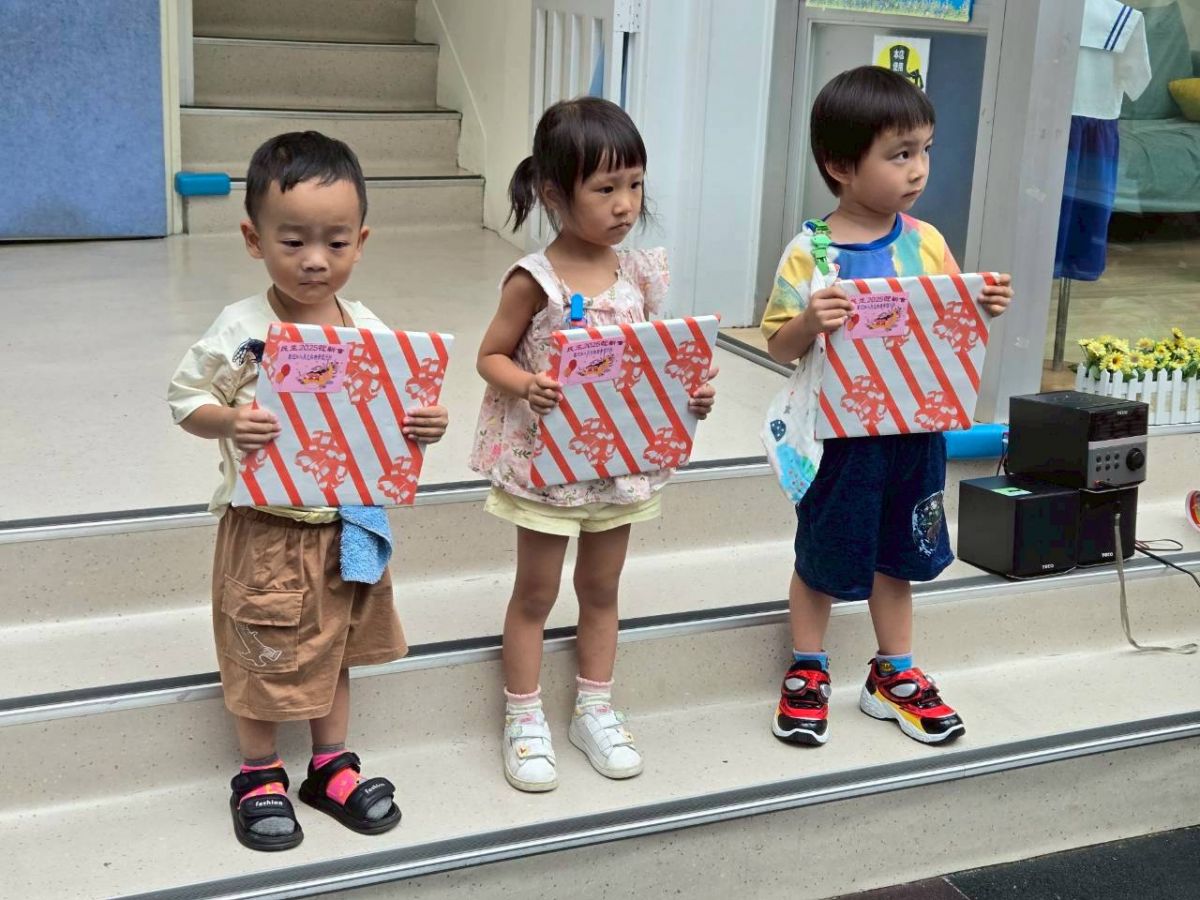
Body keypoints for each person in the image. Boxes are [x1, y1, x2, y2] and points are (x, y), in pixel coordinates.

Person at [168, 131, 448, 850]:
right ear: (253, 239)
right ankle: (259, 772)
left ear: (361, 241)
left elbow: (395, 410)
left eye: (335, 242)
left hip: (345, 524)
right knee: (257, 650)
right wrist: (227, 419)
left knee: (336, 647)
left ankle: (329, 765)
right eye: (292, 241)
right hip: (267, 528)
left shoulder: (368, 330)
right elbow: (184, 399)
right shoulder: (242, 328)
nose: (315, 259)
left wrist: (426, 422)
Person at [761, 67, 1013, 748]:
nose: (918, 168)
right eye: (899, 154)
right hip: (839, 440)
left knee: (899, 554)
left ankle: (893, 674)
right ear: (840, 166)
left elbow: (949, 324)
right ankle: (808, 667)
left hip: (915, 431)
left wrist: (981, 305)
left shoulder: (926, 241)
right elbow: (779, 344)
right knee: (822, 554)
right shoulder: (810, 252)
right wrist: (809, 320)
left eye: (925, 150)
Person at [470, 97, 716, 792]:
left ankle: (594, 709)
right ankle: (523, 716)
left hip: (617, 468)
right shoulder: (534, 280)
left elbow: (654, 361)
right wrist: (526, 384)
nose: (625, 204)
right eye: (605, 188)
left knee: (602, 589)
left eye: (634, 184)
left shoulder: (637, 274)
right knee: (536, 593)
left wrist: (691, 394)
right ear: (554, 194)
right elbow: (489, 356)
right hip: (549, 472)